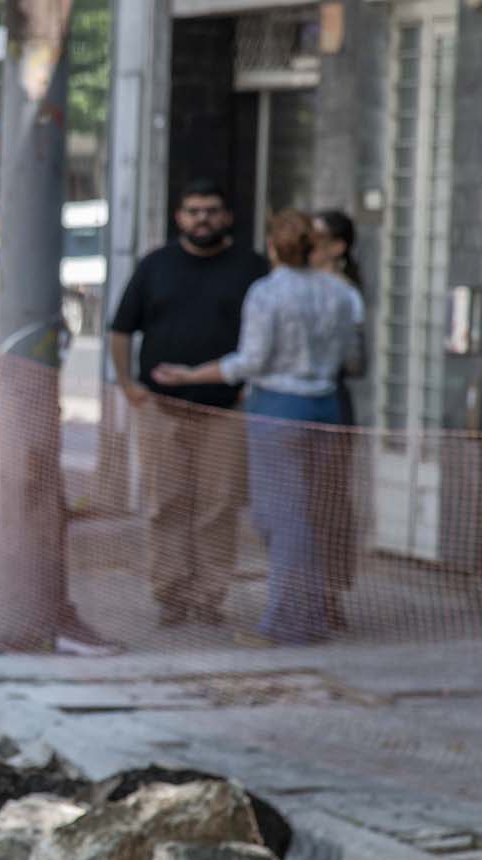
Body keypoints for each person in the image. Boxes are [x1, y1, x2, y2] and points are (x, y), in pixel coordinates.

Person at [152, 209, 364, 646]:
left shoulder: (267, 293)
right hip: (327, 405)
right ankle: (314, 612)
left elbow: (249, 362)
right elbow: (353, 360)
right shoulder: (341, 294)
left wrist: (190, 375)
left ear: (274, 247)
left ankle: (286, 621)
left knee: (281, 518)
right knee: (315, 515)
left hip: (278, 407)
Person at [0, 199, 120, 655]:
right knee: (33, 500)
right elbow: (32, 336)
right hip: (7, 397)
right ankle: (46, 612)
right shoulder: (10, 262)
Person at [109, 180, 271, 627]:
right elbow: (121, 329)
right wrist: (126, 384)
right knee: (166, 502)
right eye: (194, 210)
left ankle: (209, 597)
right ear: (179, 218)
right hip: (161, 408)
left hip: (225, 411)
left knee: (218, 506)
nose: (203, 219)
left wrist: (248, 385)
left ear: (227, 218)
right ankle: (170, 595)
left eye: (212, 210)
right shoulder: (155, 266)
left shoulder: (252, 269)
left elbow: (268, 338)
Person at [310, 209, 365, 629]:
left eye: (317, 238)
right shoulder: (290, 283)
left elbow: (355, 360)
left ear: (337, 247)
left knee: (328, 502)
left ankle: (328, 592)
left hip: (327, 400)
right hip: (288, 402)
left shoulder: (344, 292)